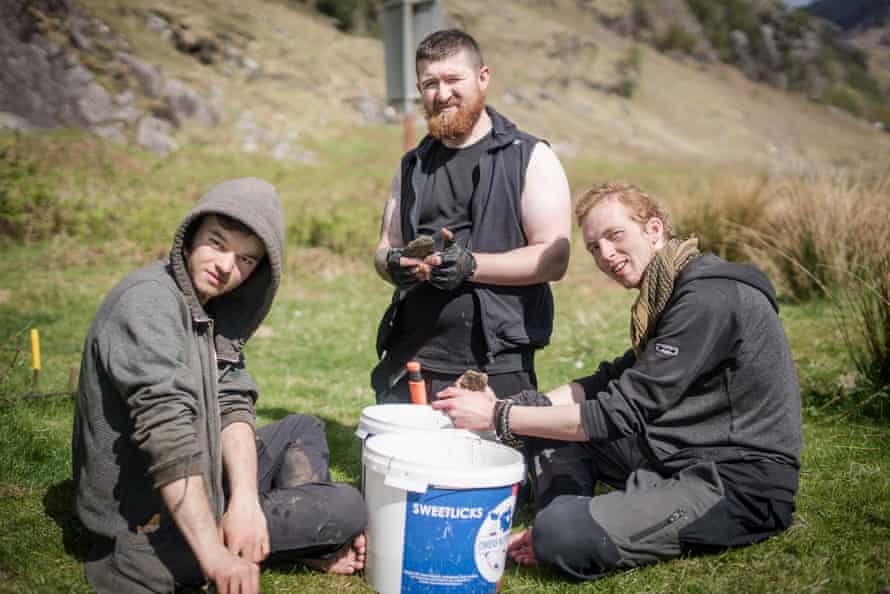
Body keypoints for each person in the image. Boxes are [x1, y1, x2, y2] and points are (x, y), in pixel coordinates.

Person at [431, 181, 803, 580]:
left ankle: (561, 524)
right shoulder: (669, 291)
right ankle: (562, 515)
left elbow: (617, 414)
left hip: (736, 479)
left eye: (614, 235)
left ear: (654, 230)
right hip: (673, 448)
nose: (605, 254)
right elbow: (611, 380)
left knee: (563, 534)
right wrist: (519, 407)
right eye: (593, 247)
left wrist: (499, 416)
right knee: (540, 419)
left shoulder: (708, 300)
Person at [72, 178, 367, 594]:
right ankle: (275, 540)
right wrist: (213, 554)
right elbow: (167, 436)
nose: (227, 266)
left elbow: (232, 401)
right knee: (345, 506)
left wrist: (245, 501)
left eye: (246, 260)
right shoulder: (148, 303)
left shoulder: (213, 309)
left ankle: (278, 538)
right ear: (190, 235)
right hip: (147, 510)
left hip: (202, 466)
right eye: (217, 243)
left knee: (302, 427)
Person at [372, 29, 572, 404]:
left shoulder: (529, 156)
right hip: (411, 358)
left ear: (483, 78)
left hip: (495, 364)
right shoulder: (412, 165)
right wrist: (393, 264)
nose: (441, 93)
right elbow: (385, 247)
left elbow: (554, 259)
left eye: (453, 79)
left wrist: (471, 265)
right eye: (430, 83)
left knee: (491, 462)